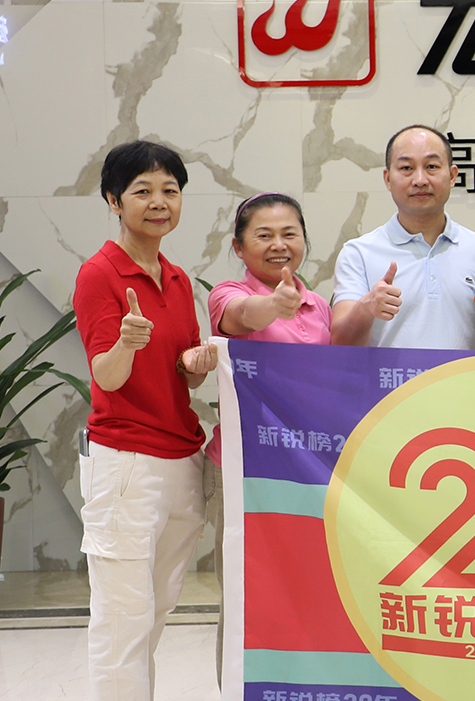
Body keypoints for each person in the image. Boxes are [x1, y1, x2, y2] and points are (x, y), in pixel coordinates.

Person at [72, 140, 218, 700]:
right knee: (122, 622)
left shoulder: (177, 279)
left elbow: (183, 376)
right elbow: (107, 377)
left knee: (153, 614)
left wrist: (195, 364)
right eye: (142, 191)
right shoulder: (100, 274)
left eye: (170, 191)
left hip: (181, 459)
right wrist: (126, 344)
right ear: (114, 200)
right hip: (127, 464)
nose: (159, 202)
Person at [204, 191, 331, 682]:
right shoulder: (227, 293)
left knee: (302, 596)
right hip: (241, 471)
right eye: (264, 235)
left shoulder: (318, 305)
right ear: (239, 247)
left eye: (289, 234)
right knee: (245, 596)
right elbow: (244, 316)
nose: (279, 245)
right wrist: (274, 304)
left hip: (300, 472)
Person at [331, 125, 475, 350]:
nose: (420, 180)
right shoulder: (358, 253)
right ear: (388, 179)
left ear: (453, 175)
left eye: (432, 166)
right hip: (391, 375)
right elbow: (339, 342)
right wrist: (366, 307)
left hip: (467, 375)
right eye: (406, 168)